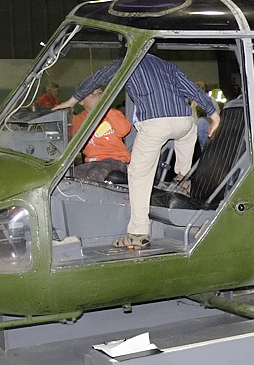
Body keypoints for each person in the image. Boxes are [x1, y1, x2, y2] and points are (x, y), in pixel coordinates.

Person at [53, 53, 220, 249]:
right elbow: (191, 89)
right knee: (187, 134)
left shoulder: (128, 62)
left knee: (138, 175)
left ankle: (138, 233)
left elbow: (97, 78)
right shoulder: (167, 65)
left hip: (155, 122)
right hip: (183, 119)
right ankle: (182, 178)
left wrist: (71, 101)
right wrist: (214, 114)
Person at [70, 85, 131, 183]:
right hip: (92, 162)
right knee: (71, 175)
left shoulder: (113, 113)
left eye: (99, 93)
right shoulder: (78, 120)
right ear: (81, 101)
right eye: (92, 95)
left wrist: (106, 110)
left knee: (94, 174)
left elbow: (124, 130)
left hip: (115, 160)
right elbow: (71, 143)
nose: (97, 97)